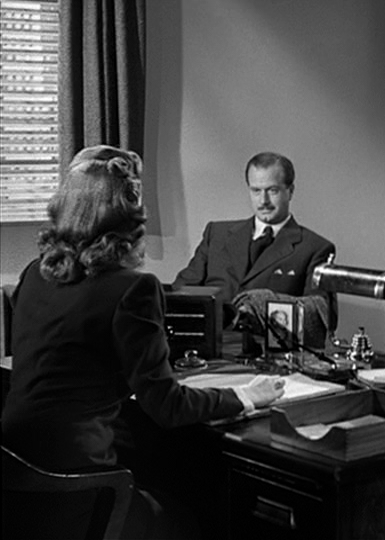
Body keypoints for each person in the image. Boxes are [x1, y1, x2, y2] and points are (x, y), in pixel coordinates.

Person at [1, 145, 285, 539]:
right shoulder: (133, 288)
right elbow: (167, 406)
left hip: (18, 478)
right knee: (193, 519)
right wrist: (246, 396)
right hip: (80, 488)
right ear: (129, 218)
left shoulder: (35, 273)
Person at [172, 151, 336, 348]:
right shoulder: (216, 234)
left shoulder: (315, 248)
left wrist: (259, 303)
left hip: (269, 356)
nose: (263, 201)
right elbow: (181, 291)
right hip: (207, 351)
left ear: (290, 191)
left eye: (272, 191)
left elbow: (319, 317)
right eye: (256, 191)